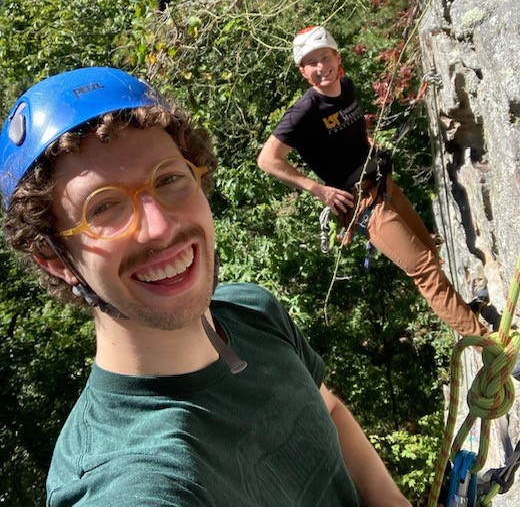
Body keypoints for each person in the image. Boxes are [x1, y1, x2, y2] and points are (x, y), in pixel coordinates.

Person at [0, 67, 411, 506]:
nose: (159, 228)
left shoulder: (254, 314)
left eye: (169, 179)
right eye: (103, 209)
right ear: (56, 260)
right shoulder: (126, 478)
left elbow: (328, 412)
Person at [257, 25, 490, 341]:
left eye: (324, 57)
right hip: (362, 205)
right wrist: (318, 189)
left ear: (337, 58)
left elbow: (349, 133)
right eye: (311, 63)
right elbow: (267, 159)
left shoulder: (347, 86)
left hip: (384, 185)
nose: (320, 67)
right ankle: (488, 347)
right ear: (303, 72)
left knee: (429, 255)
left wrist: (367, 144)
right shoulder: (304, 111)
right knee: (423, 268)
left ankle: (464, 315)